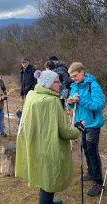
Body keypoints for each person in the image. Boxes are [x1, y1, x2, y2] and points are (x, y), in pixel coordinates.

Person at [16, 70, 80, 204]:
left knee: (42, 173)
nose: (60, 84)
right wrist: (78, 128)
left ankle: (48, 201)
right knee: (49, 177)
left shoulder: (32, 95)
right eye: (57, 82)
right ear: (48, 84)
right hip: (48, 146)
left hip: (34, 142)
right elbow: (65, 131)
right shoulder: (52, 101)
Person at [67, 62, 105, 196]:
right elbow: (73, 105)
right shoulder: (74, 86)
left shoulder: (93, 85)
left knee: (92, 151)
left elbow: (99, 105)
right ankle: (90, 172)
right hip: (81, 124)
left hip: (93, 124)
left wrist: (80, 100)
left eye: (75, 76)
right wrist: (70, 102)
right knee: (85, 148)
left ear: (82, 72)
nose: (73, 79)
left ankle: (98, 182)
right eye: (71, 77)